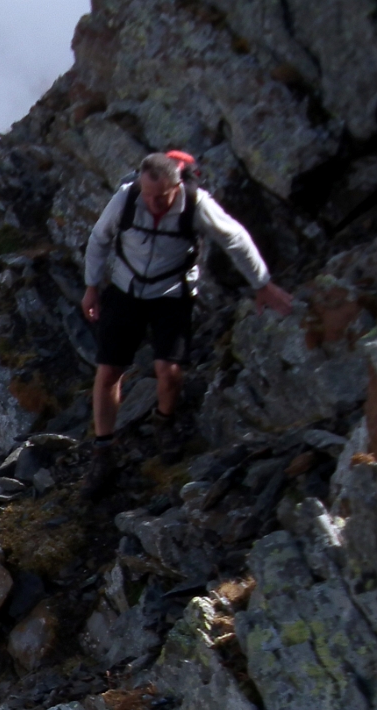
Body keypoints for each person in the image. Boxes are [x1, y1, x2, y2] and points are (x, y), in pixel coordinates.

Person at [80, 150, 294, 494]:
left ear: (176, 186)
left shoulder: (197, 204)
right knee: (108, 371)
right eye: (147, 194)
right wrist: (92, 287)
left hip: (171, 293)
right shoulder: (126, 198)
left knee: (170, 371)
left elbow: (235, 239)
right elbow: (99, 238)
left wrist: (263, 284)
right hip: (124, 290)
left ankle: (164, 421)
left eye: (161, 196)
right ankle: (103, 449)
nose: (153, 203)